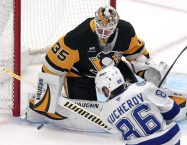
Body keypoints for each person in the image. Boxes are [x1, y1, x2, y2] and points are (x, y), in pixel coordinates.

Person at [41, 5, 169, 101]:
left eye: (107, 30)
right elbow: (52, 66)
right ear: (95, 21)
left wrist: (147, 71)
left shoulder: (125, 31)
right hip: (80, 75)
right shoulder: (77, 37)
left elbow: (136, 56)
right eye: (100, 28)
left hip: (114, 72)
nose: (103, 33)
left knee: (132, 99)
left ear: (115, 26)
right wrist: (46, 97)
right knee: (87, 114)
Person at [96, 66, 184, 145]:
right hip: (168, 140)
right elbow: (174, 112)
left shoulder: (104, 112)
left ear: (106, 87)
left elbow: (119, 132)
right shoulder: (142, 88)